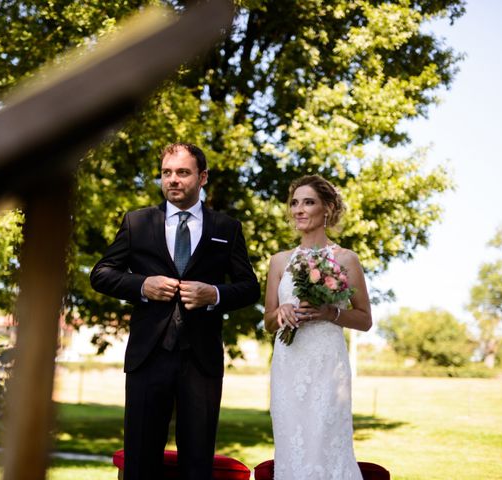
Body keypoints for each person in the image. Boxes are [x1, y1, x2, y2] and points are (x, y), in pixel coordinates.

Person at [90, 142, 260, 480]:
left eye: (182, 172)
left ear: (203, 177)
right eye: (167, 173)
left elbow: (249, 287)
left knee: (197, 463)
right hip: (147, 356)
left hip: (201, 360)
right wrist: (142, 285)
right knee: (140, 459)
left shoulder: (227, 228)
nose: (173, 180)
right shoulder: (136, 222)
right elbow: (101, 274)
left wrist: (213, 293)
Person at [264, 175, 372, 480]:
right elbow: (268, 322)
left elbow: (364, 319)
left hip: (328, 366)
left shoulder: (347, 259)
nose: (299, 209)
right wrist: (281, 311)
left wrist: (330, 312)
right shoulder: (278, 262)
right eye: (295, 203)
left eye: (308, 202)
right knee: (291, 444)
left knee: (326, 442)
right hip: (288, 365)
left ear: (327, 208)